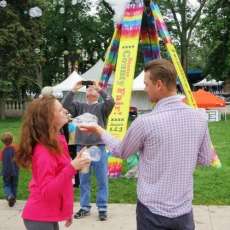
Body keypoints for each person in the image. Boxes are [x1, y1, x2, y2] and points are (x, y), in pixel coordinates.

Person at [78, 59, 213, 230]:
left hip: (152, 212)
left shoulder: (145, 122)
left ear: (159, 85)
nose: (144, 88)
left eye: (146, 84)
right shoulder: (199, 117)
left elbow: (121, 151)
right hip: (184, 212)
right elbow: (206, 158)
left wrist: (99, 130)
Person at [16, 96, 90, 230]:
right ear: (49, 118)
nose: (66, 111)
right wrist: (73, 166)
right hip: (39, 218)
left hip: (48, 216)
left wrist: (67, 210)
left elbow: (63, 177)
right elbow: (47, 191)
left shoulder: (56, 142)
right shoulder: (44, 151)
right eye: (61, 110)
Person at [62, 80, 115, 221]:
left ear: (97, 93)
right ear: (85, 93)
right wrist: (74, 89)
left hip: (99, 148)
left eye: (93, 88)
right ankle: (85, 207)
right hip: (82, 149)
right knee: (84, 180)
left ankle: (102, 208)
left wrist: (101, 89)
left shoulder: (103, 107)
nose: (90, 89)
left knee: (102, 180)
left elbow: (111, 102)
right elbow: (65, 106)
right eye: (88, 88)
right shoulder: (79, 106)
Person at [0, 132, 19, 207]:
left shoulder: (2, 151)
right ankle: (13, 198)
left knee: (6, 185)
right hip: (15, 171)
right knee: (14, 185)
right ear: (12, 139)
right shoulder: (16, 148)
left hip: (6, 171)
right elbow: (19, 157)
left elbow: (2, 160)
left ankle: (10, 196)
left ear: (3, 142)